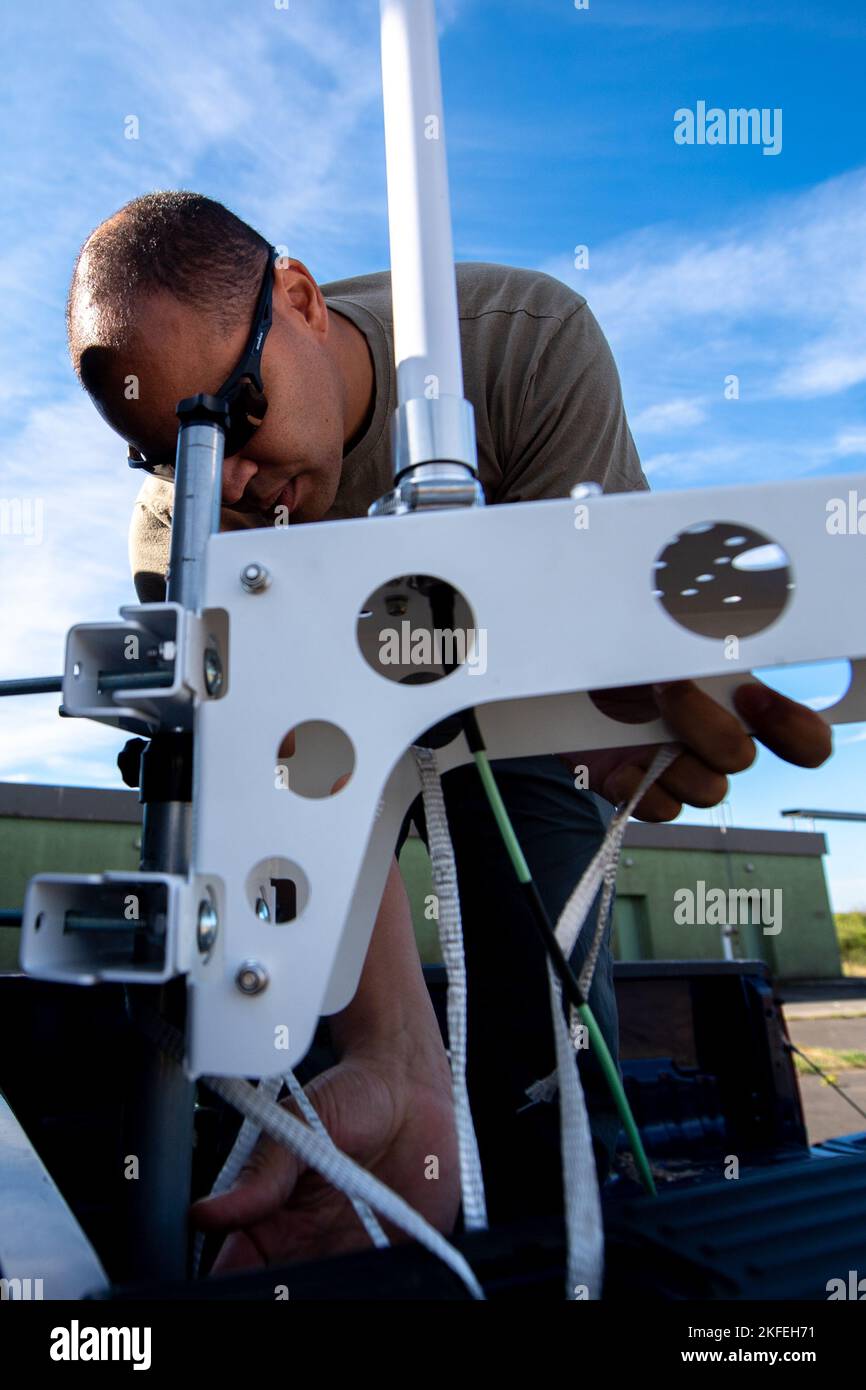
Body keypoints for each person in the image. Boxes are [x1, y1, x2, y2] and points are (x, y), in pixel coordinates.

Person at [66, 191, 831, 1274]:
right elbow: (288, 773)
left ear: (299, 300)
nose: (225, 483)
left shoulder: (521, 345)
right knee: (299, 947)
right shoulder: (186, 530)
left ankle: (582, 1225)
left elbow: (622, 634)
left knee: (544, 1014)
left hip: (516, 717)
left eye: (231, 415)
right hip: (325, 744)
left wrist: (632, 692)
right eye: (168, 453)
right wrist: (394, 1055)